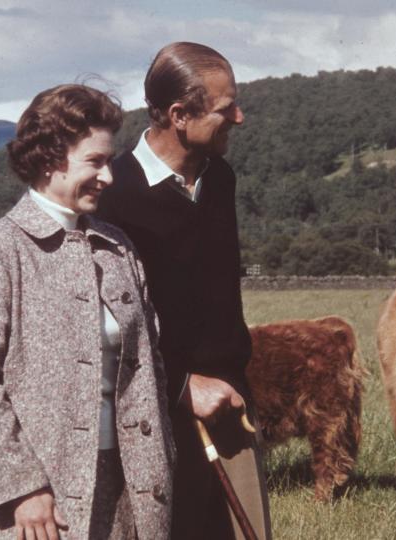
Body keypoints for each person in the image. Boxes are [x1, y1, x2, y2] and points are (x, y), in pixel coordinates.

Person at [0, 84, 175, 540]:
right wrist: (21, 488)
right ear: (50, 158)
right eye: (96, 161)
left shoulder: (118, 248)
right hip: (38, 503)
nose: (108, 177)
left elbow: (153, 366)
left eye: (108, 161)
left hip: (131, 487)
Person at [96, 42, 272, 540]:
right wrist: (180, 385)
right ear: (179, 114)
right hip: (150, 413)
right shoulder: (113, 196)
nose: (239, 117)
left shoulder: (221, 180)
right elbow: (105, 325)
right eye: (225, 108)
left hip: (230, 403)